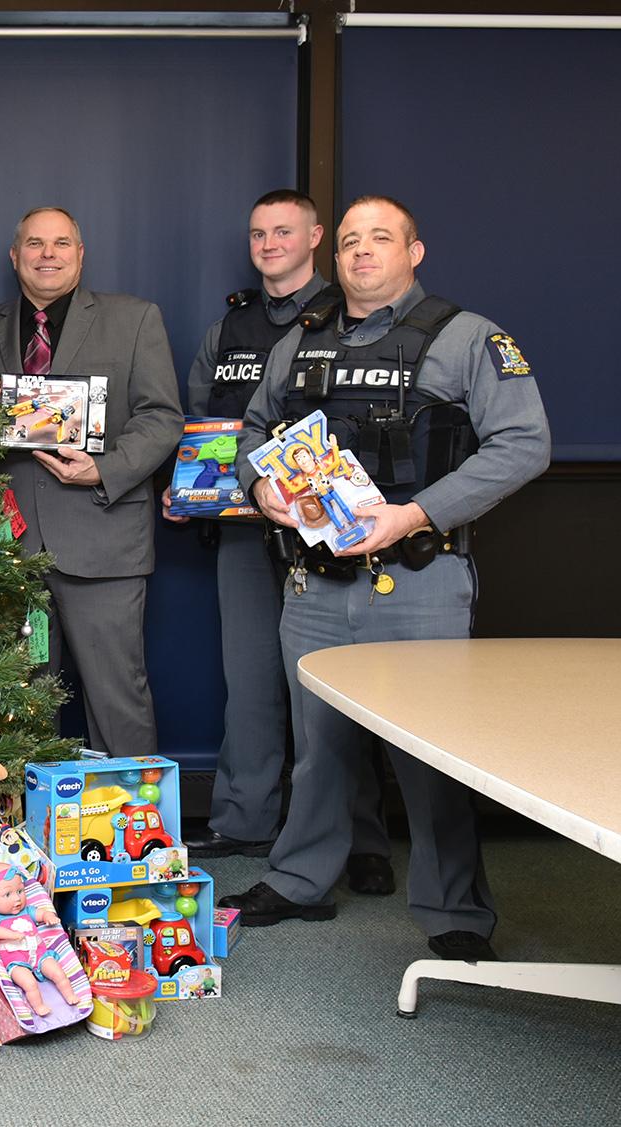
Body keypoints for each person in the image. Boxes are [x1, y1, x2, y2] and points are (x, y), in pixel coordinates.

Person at [219, 196, 550, 960]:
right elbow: (253, 431)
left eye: (379, 239)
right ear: (333, 258)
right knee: (318, 747)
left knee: (431, 757)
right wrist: (258, 487)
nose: (361, 252)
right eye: (348, 242)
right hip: (313, 585)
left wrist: (415, 514)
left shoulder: (469, 338)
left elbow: (523, 444)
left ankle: (452, 910)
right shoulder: (302, 341)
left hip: (418, 577)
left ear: (414, 250)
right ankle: (300, 877)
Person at [168, 190, 394, 896]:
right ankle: (244, 816)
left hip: (328, 529)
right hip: (242, 524)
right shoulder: (229, 328)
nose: (267, 243)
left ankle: (360, 838)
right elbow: (204, 420)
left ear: (316, 238)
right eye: (257, 233)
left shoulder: (346, 319)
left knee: (340, 688)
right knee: (251, 677)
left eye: (283, 231)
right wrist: (187, 489)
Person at [0, 207, 183, 756]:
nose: (48, 254)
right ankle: (24, 832)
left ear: (80, 254)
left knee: (118, 698)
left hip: (103, 539)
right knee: (19, 700)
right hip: (9, 548)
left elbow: (162, 418)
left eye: (61, 243)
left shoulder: (134, 319)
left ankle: (138, 836)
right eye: (35, 244)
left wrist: (104, 467)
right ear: (14, 256)